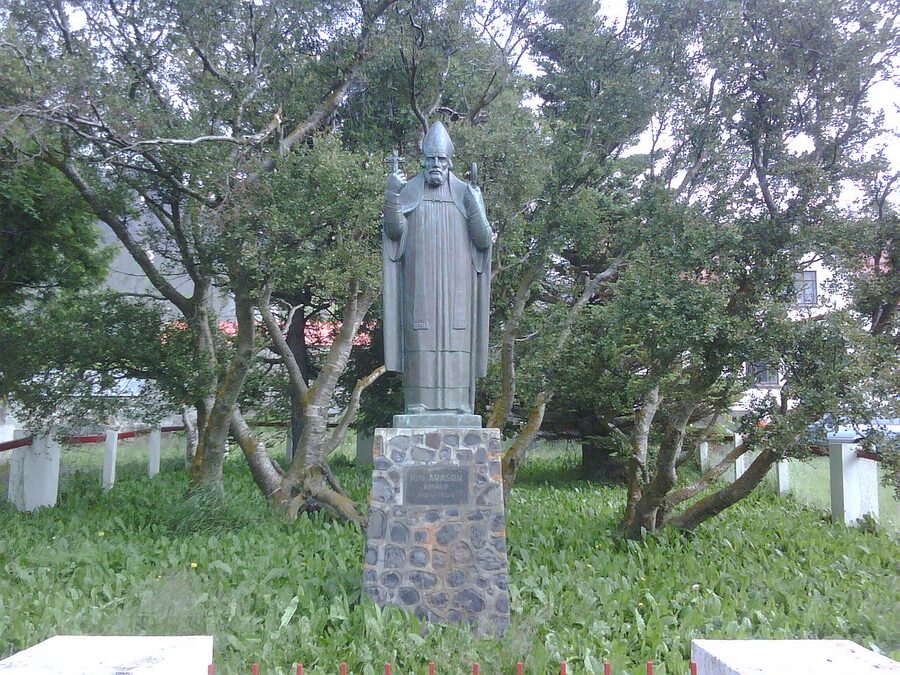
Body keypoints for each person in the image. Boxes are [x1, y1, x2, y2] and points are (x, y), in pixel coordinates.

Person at [382, 122, 492, 423]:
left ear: (450, 162)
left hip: (459, 286)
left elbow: (483, 241)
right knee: (422, 340)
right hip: (421, 285)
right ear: (423, 160)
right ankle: (418, 403)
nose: (435, 165)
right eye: (431, 159)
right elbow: (394, 232)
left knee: (458, 340)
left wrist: (475, 205)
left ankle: (459, 404)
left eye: (441, 160)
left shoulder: (464, 192)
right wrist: (392, 195)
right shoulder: (411, 190)